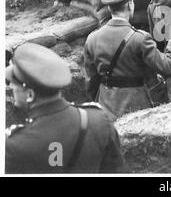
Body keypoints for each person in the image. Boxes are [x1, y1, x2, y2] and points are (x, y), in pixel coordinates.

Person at [5, 42, 124, 173]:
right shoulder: (99, 121)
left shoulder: (13, 146)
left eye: (13, 84)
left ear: (30, 95)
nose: (11, 87)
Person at [84, 0, 171, 119]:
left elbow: (91, 83)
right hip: (136, 106)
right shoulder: (140, 38)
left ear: (110, 9)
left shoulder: (91, 39)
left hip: (105, 104)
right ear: (130, 4)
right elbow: (168, 67)